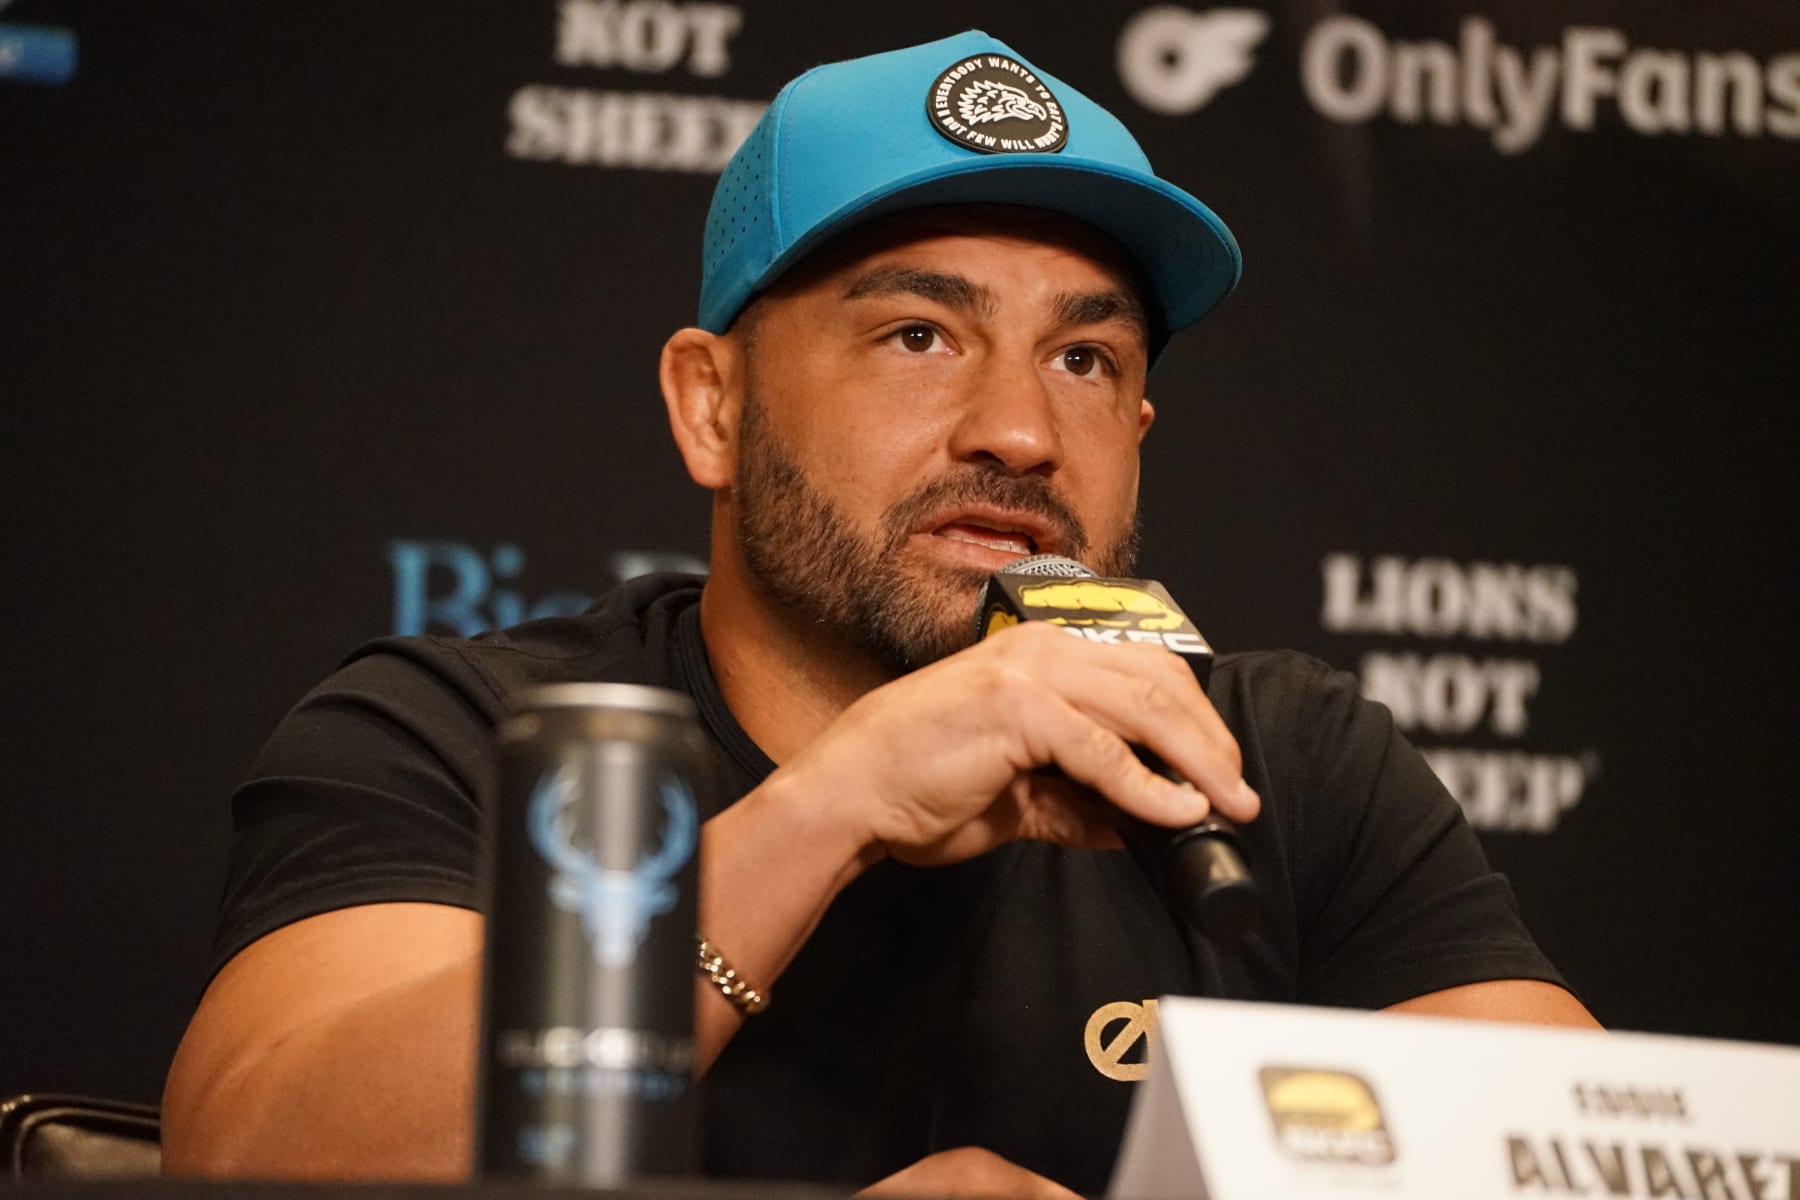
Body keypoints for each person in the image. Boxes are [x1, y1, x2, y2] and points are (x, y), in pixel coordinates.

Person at [162, 30, 1598, 1197]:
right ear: (710, 406)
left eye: (1086, 358)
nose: (1022, 434)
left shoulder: (1270, 765)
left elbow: (1591, 1166)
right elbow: (253, 1166)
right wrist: (834, 808)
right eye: (920, 335)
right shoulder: (474, 742)